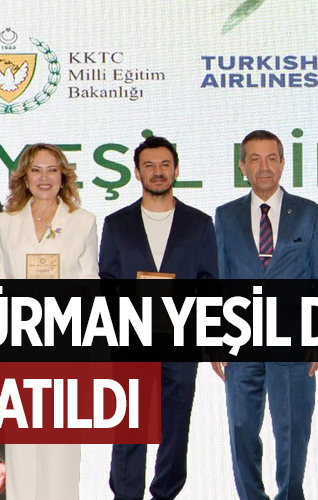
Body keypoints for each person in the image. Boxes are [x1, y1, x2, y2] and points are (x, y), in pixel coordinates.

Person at [99, 135, 218, 500]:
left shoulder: (199, 223)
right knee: (128, 429)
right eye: (149, 165)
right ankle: (126, 495)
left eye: (165, 164)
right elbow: (107, 282)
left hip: (180, 341)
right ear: (136, 173)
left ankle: (165, 494)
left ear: (176, 170)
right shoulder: (117, 223)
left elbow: (209, 283)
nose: (158, 172)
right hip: (131, 341)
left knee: (175, 430)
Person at [211, 130, 318, 500]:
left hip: (294, 341)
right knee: (242, 428)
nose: (264, 167)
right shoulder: (225, 216)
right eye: (255, 159)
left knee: (293, 431)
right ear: (242, 167)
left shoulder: (309, 213)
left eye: (272, 158)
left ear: (282, 164)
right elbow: (220, 279)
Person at [0, 142, 99, 500]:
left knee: (61, 448)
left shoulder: (83, 222)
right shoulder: (5, 223)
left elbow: (90, 287)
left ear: (63, 176)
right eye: (36, 170)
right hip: (18, 346)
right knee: (21, 446)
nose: (44, 177)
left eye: (52, 170)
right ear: (24, 176)